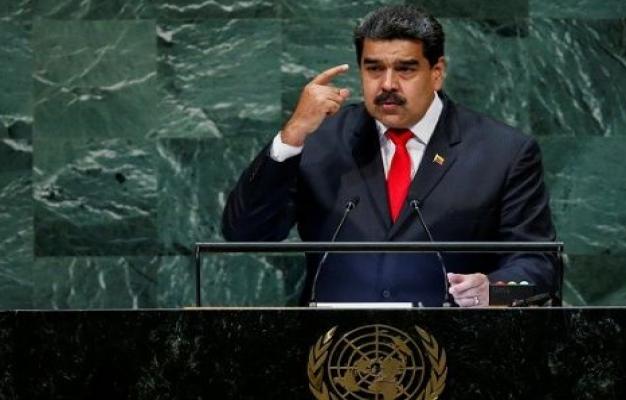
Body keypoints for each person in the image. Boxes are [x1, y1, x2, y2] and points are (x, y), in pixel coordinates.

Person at [222, 5, 557, 307]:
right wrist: (291, 135)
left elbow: (541, 269)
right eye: (373, 69)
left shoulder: (504, 151)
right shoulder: (319, 140)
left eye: (405, 69)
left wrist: (496, 293)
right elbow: (243, 234)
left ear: (437, 72)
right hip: (334, 357)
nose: (387, 84)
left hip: (457, 357)